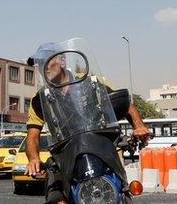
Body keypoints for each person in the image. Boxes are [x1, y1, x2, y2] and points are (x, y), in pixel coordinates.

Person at [22, 45, 149, 195]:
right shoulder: (39, 99)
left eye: (46, 62)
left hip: (102, 152)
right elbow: (32, 136)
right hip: (65, 159)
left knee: (121, 191)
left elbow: (126, 105)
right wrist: (34, 159)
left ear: (62, 61)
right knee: (54, 197)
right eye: (39, 64)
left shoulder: (91, 82)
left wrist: (139, 126)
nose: (43, 68)